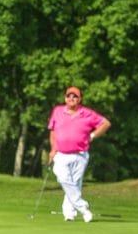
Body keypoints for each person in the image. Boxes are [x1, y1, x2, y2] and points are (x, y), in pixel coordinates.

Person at [47, 85, 111, 223]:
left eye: (74, 96)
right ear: (65, 98)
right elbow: (53, 131)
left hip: (80, 154)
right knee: (62, 178)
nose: (71, 98)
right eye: (69, 96)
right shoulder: (57, 111)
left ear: (79, 99)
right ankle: (83, 207)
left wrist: (92, 135)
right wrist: (53, 149)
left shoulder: (87, 113)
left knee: (74, 184)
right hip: (62, 154)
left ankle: (69, 214)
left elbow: (105, 123)